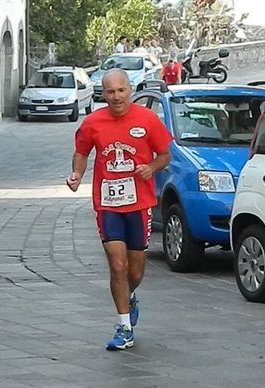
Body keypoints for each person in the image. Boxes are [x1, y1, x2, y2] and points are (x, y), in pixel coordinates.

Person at [66, 69, 172, 351]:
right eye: (110, 92)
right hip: (108, 204)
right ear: (104, 93)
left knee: (135, 272)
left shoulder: (148, 119)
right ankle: (124, 326)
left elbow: (165, 155)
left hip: (139, 205)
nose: (116, 97)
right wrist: (77, 174)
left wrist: (151, 168)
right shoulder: (93, 122)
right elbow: (82, 151)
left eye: (121, 91)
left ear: (130, 89)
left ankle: (130, 296)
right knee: (117, 265)